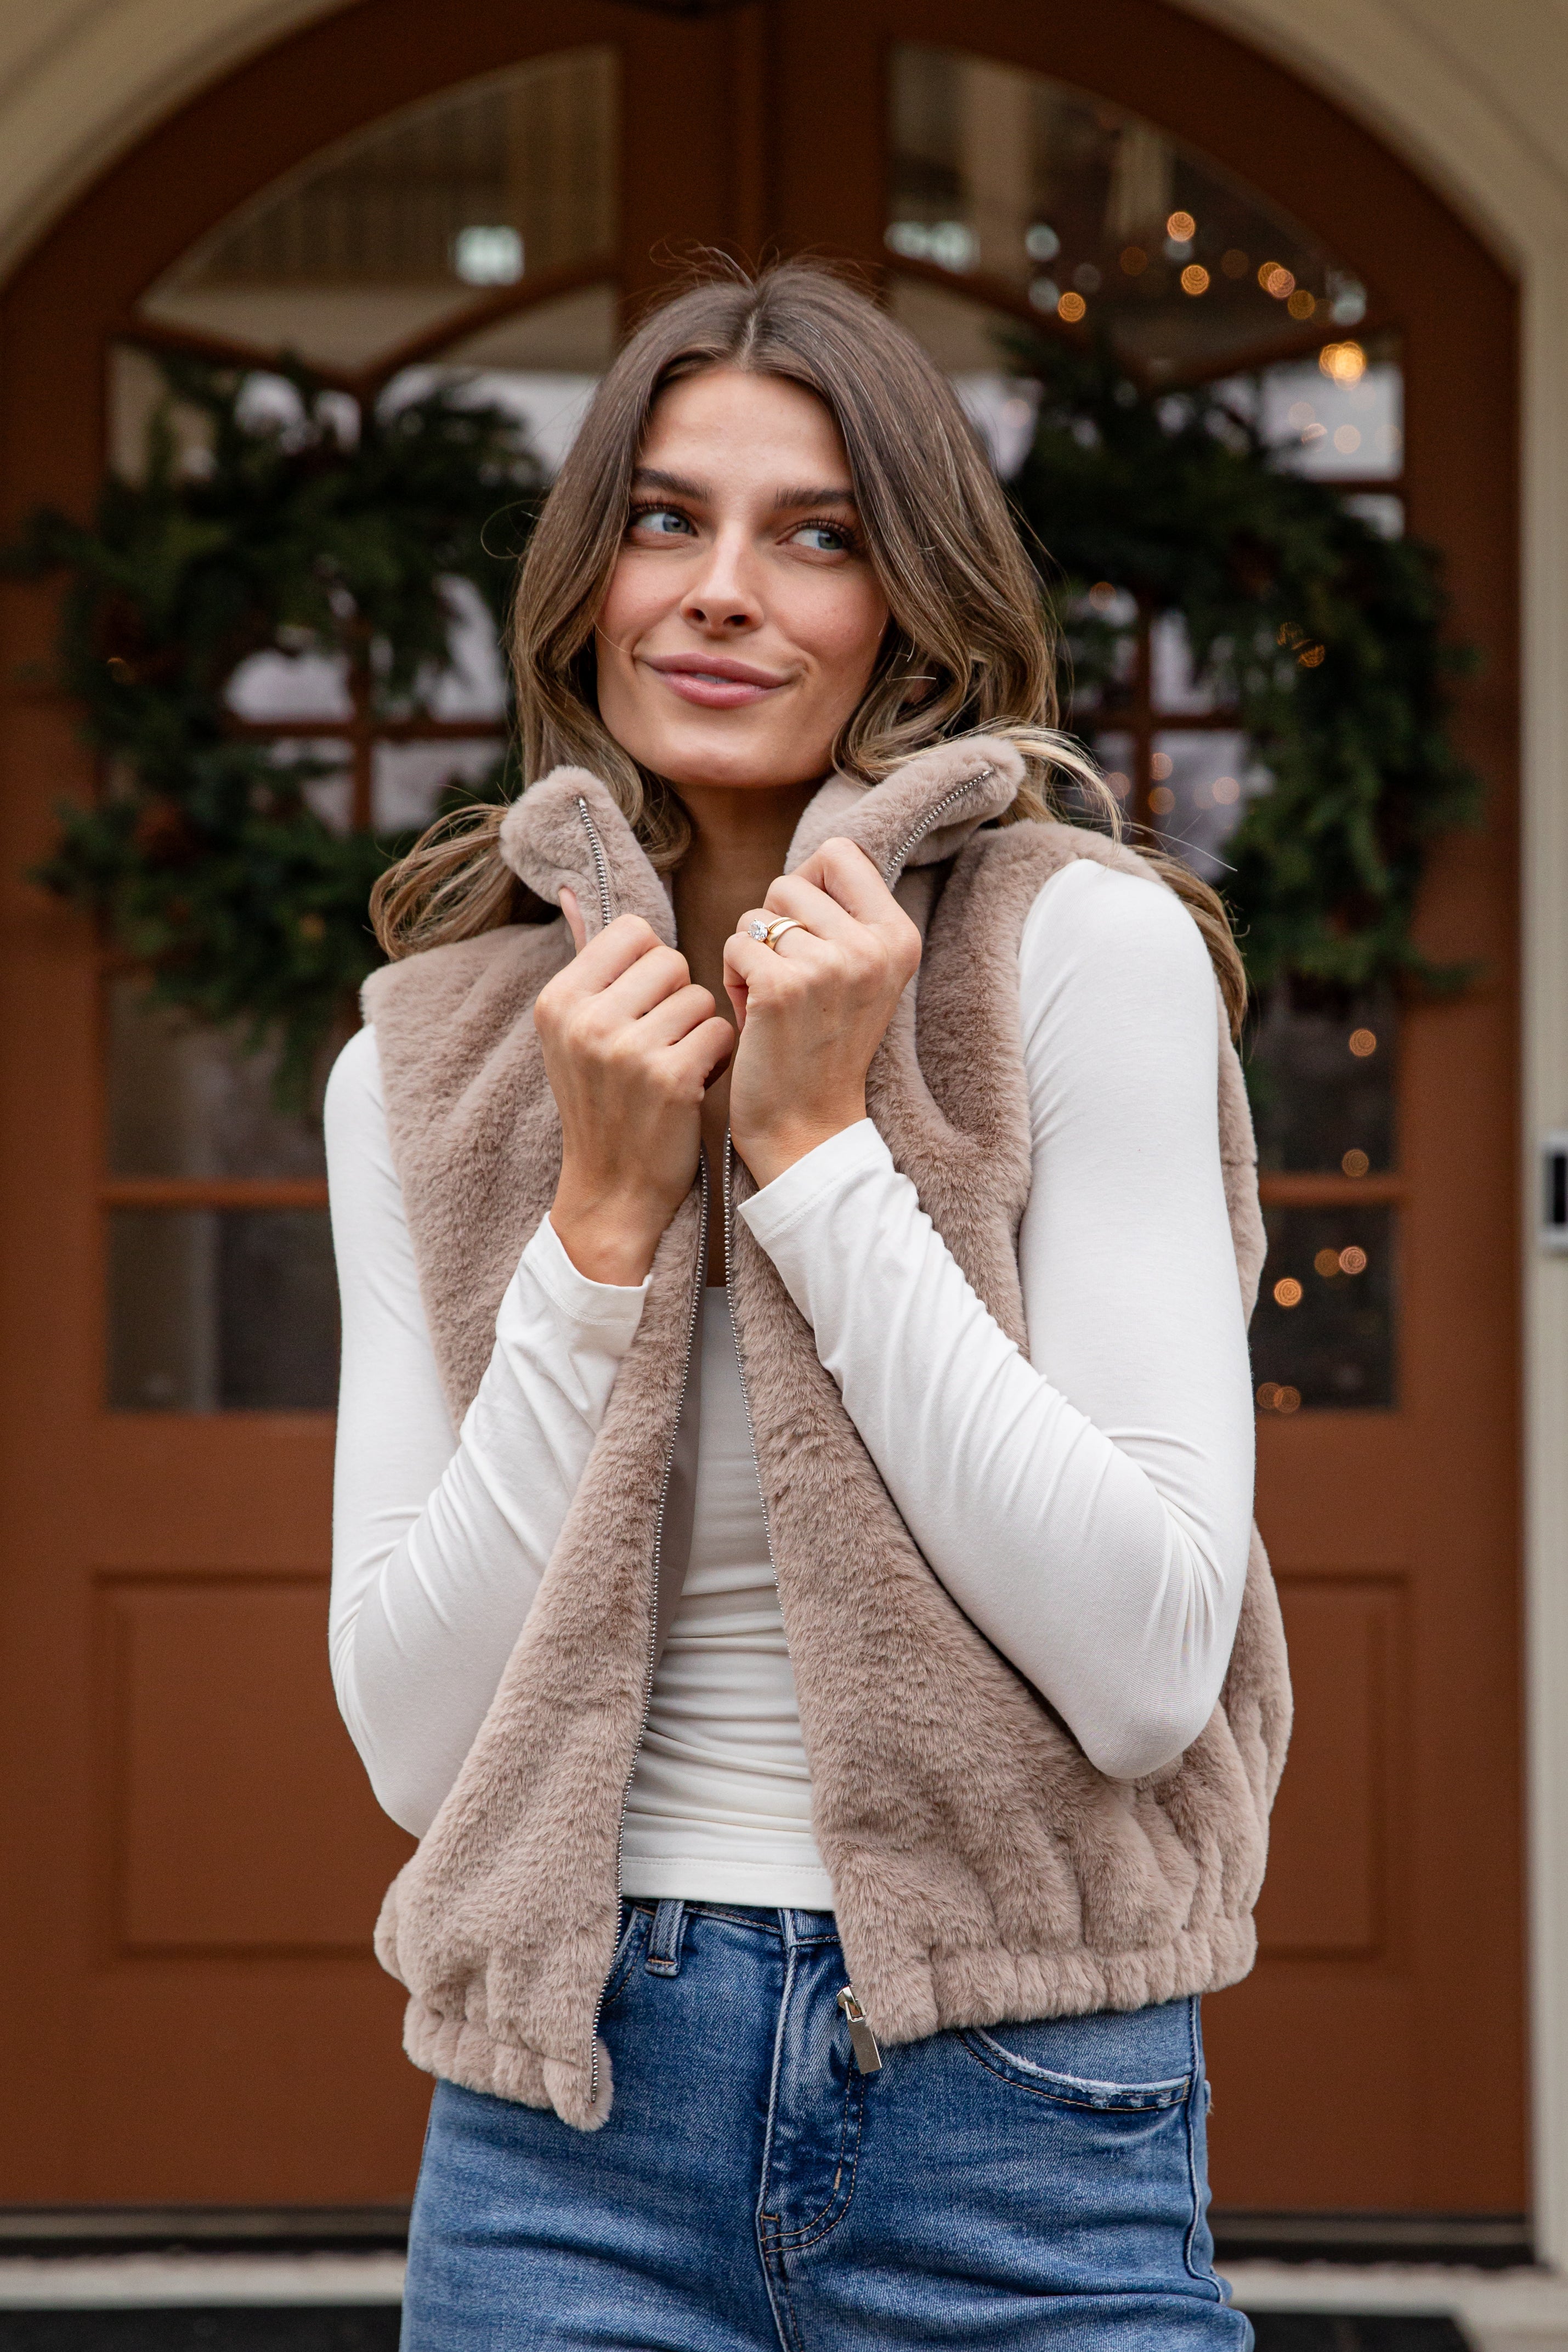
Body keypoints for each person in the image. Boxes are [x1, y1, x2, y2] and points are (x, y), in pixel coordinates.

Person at [325, 261, 1289, 2349]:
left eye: (818, 535)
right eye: (665, 520)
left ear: (911, 604)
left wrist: (823, 1157)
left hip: (1015, 2097)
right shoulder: (426, 1061)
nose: (720, 592)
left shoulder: (1074, 959)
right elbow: (417, 1748)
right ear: (589, 580)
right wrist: (599, 1220)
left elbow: (1145, 1667)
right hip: (565, 2110)